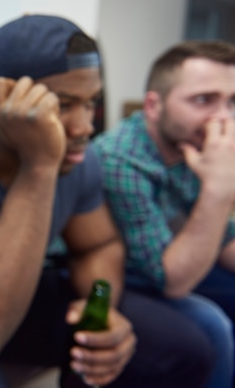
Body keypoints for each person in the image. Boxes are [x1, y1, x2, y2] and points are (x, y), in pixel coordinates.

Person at [0, 14, 217, 388]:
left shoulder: (78, 156)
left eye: (90, 102)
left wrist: (100, 311)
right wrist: (39, 166)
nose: (84, 127)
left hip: (26, 295)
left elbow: (98, 244)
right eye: (62, 105)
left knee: (184, 346)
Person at [93, 40, 235, 387]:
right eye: (204, 100)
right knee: (212, 323)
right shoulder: (122, 161)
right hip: (118, 276)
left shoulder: (192, 141)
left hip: (175, 254)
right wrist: (220, 190)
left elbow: (224, 238)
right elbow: (171, 280)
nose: (223, 118)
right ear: (154, 106)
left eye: (232, 102)